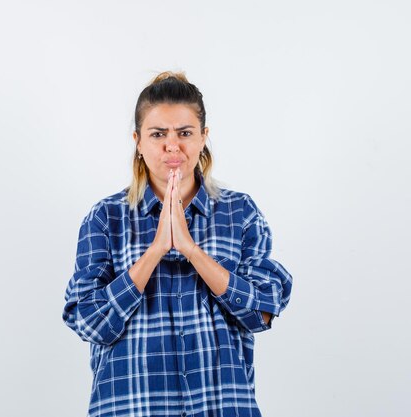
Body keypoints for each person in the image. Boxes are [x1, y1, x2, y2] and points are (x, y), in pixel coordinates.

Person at [62, 71, 293, 417]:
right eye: (158, 134)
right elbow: (89, 322)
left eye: (185, 133)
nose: (173, 145)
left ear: (203, 138)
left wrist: (191, 250)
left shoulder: (239, 212)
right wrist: (155, 250)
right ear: (138, 141)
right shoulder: (105, 218)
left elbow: (262, 310)